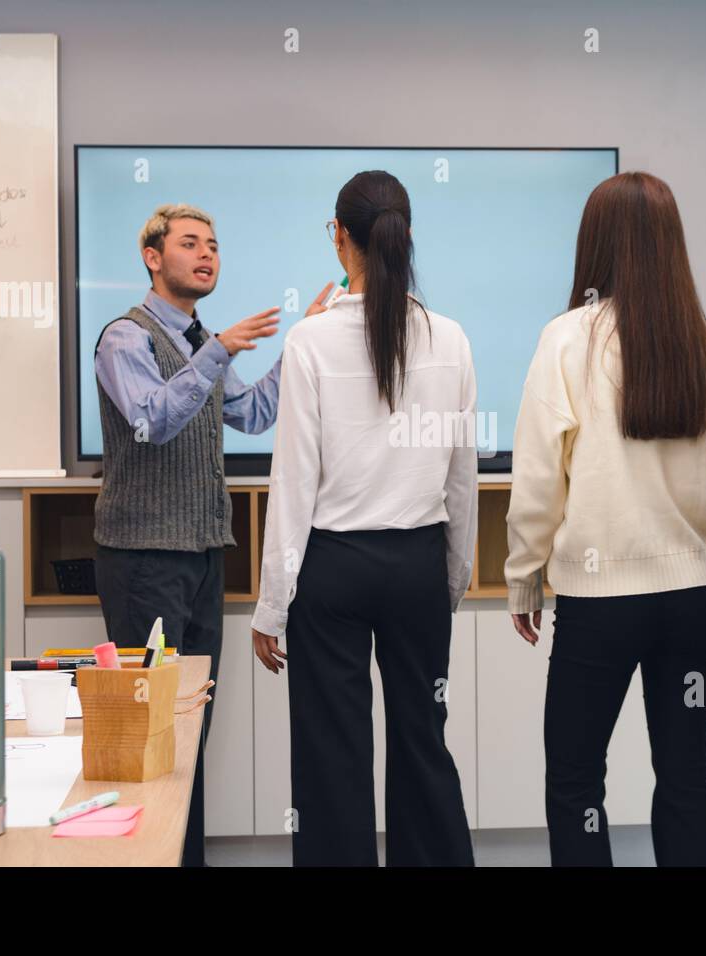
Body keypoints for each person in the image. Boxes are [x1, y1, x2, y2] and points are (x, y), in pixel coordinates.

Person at [505, 171, 706, 866]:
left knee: (577, 781)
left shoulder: (568, 338)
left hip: (599, 603)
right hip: (694, 599)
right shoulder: (705, 347)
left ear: (594, 243)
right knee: (688, 775)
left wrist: (523, 579)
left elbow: (540, 478)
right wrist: (698, 563)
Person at [251, 171, 477, 867]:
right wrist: (453, 577)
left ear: (340, 238)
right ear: (405, 236)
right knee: (423, 741)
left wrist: (271, 607)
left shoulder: (310, 343)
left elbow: (293, 482)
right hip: (416, 566)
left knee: (331, 756)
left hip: (333, 572)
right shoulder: (452, 338)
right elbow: (460, 480)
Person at [92, 202, 328, 866]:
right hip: (141, 560)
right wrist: (218, 351)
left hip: (199, 558)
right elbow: (151, 421)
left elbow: (252, 414)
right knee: (149, 735)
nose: (206, 254)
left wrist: (299, 346)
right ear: (152, 257)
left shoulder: (202, 344)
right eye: (190, 243)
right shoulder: (126, 338)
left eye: (214, 246)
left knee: (189, 733)